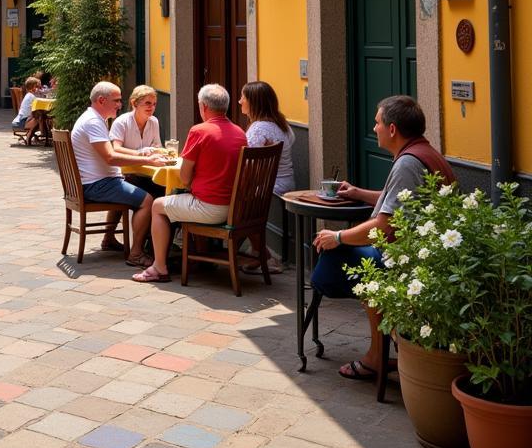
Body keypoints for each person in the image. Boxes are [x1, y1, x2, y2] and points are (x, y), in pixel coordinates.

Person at [310, 95, 456, 381]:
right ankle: (382, 349)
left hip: (410, 262)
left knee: (337, 257)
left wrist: (337, 236)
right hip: (423, 254)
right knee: (359, 262)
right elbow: (399, 200)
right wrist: (359, 193)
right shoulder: (423, 153)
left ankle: (377, 356)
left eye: (377, 122)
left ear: (392, 129)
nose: (373, 127)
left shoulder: (407, 164)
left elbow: (384, 227)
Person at [134, 84, 247, 283]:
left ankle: (159, 266)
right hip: (235, 208)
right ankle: (199, 257)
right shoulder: (239, 132)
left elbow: (185, 178)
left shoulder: (200, 131)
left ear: (203, 107)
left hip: (210, 209)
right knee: (189, 197)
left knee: (158, 205)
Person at [71, 81, 169, 268]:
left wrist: (142, 155)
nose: (119, 104)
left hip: (98, 181)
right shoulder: (93, 121)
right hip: (96, 185)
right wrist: (146, 160)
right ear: (101, 100)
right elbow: (111, 157)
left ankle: (109, 240)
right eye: (116, 100)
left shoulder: (94, 118)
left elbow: (112, 154)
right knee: (147, 201)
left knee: (128, 184)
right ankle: (136, 253)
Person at [238, 80, 296, 273]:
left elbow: (250, 166)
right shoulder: (282, 124)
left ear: (254, 102)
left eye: (243, 98)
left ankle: (263, 255)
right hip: (287, 181)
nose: (239, 102)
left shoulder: (258, 129)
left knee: (236, 206)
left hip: (269, 185)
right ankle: (256, 252)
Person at [100, 85, 167, 250]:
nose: (151, 107)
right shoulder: (122, 122)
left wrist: (159, 151)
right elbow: (116, 148)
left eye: (154, 104)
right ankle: (139, 244)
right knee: (151, 195)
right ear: (134, 103)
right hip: (125, 174)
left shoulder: (154, 122)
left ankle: (152, 241)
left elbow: (158, 146)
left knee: (164, 192)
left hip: (147, 174)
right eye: (147, 103)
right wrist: (141, 153)